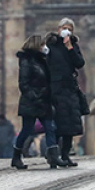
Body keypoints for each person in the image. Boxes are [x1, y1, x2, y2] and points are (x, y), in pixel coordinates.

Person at [13, 34, 60, 169]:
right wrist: (35, 96)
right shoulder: (27, 61)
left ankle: (53, 157)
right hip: (32, 102)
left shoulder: (43, 60)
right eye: (42, 45)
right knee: (27, 129)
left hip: (44, 101)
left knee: (50, 127)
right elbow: (24, 83)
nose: (45, 47)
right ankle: (16, 156)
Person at [46, 18, 86, 167]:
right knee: (57, 123)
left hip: (70, 88)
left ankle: (65, 154)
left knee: (70, 124)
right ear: (58, 29)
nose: (66, 31)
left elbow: (79, 63)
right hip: (56, 88)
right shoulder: (51, 45)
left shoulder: (73, 45)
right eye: (64, 28)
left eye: (69, 29)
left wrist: (70, 48)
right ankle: (53, 154)